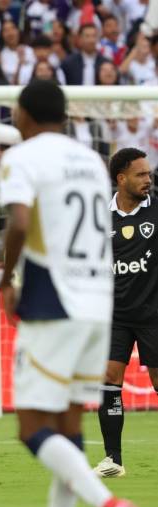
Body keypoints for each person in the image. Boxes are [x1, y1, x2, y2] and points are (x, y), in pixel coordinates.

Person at [0, 79, 137, 507]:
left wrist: (4, 278)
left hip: (51, 299)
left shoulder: (24, 157)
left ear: (26, 114)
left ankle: (109, 506)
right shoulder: (89, 161)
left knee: (31, 426)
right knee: (69, 427)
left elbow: (18, 222)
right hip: (98, 302)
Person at [95, 148, 158, 478]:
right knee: (109, 378)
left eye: (149, 174)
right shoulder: (98, 214)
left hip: (154, 312)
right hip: (115, 314)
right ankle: (113, 459)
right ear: (121, 179)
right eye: (141, 174)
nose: (148, 179)